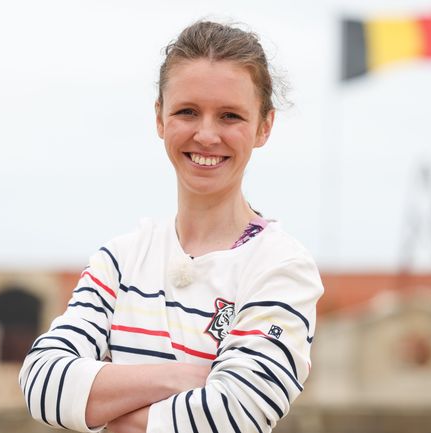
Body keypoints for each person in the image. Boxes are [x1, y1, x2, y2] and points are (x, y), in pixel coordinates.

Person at [19, 21, 323, 433]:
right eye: (187, 111)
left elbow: (237, 413)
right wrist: (184, 377)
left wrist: (108, 410)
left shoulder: (281, 268)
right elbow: (41, 382)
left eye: (230, 115)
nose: (206, 134)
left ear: (263, 127)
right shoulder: (121, 259)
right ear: (160, 117)